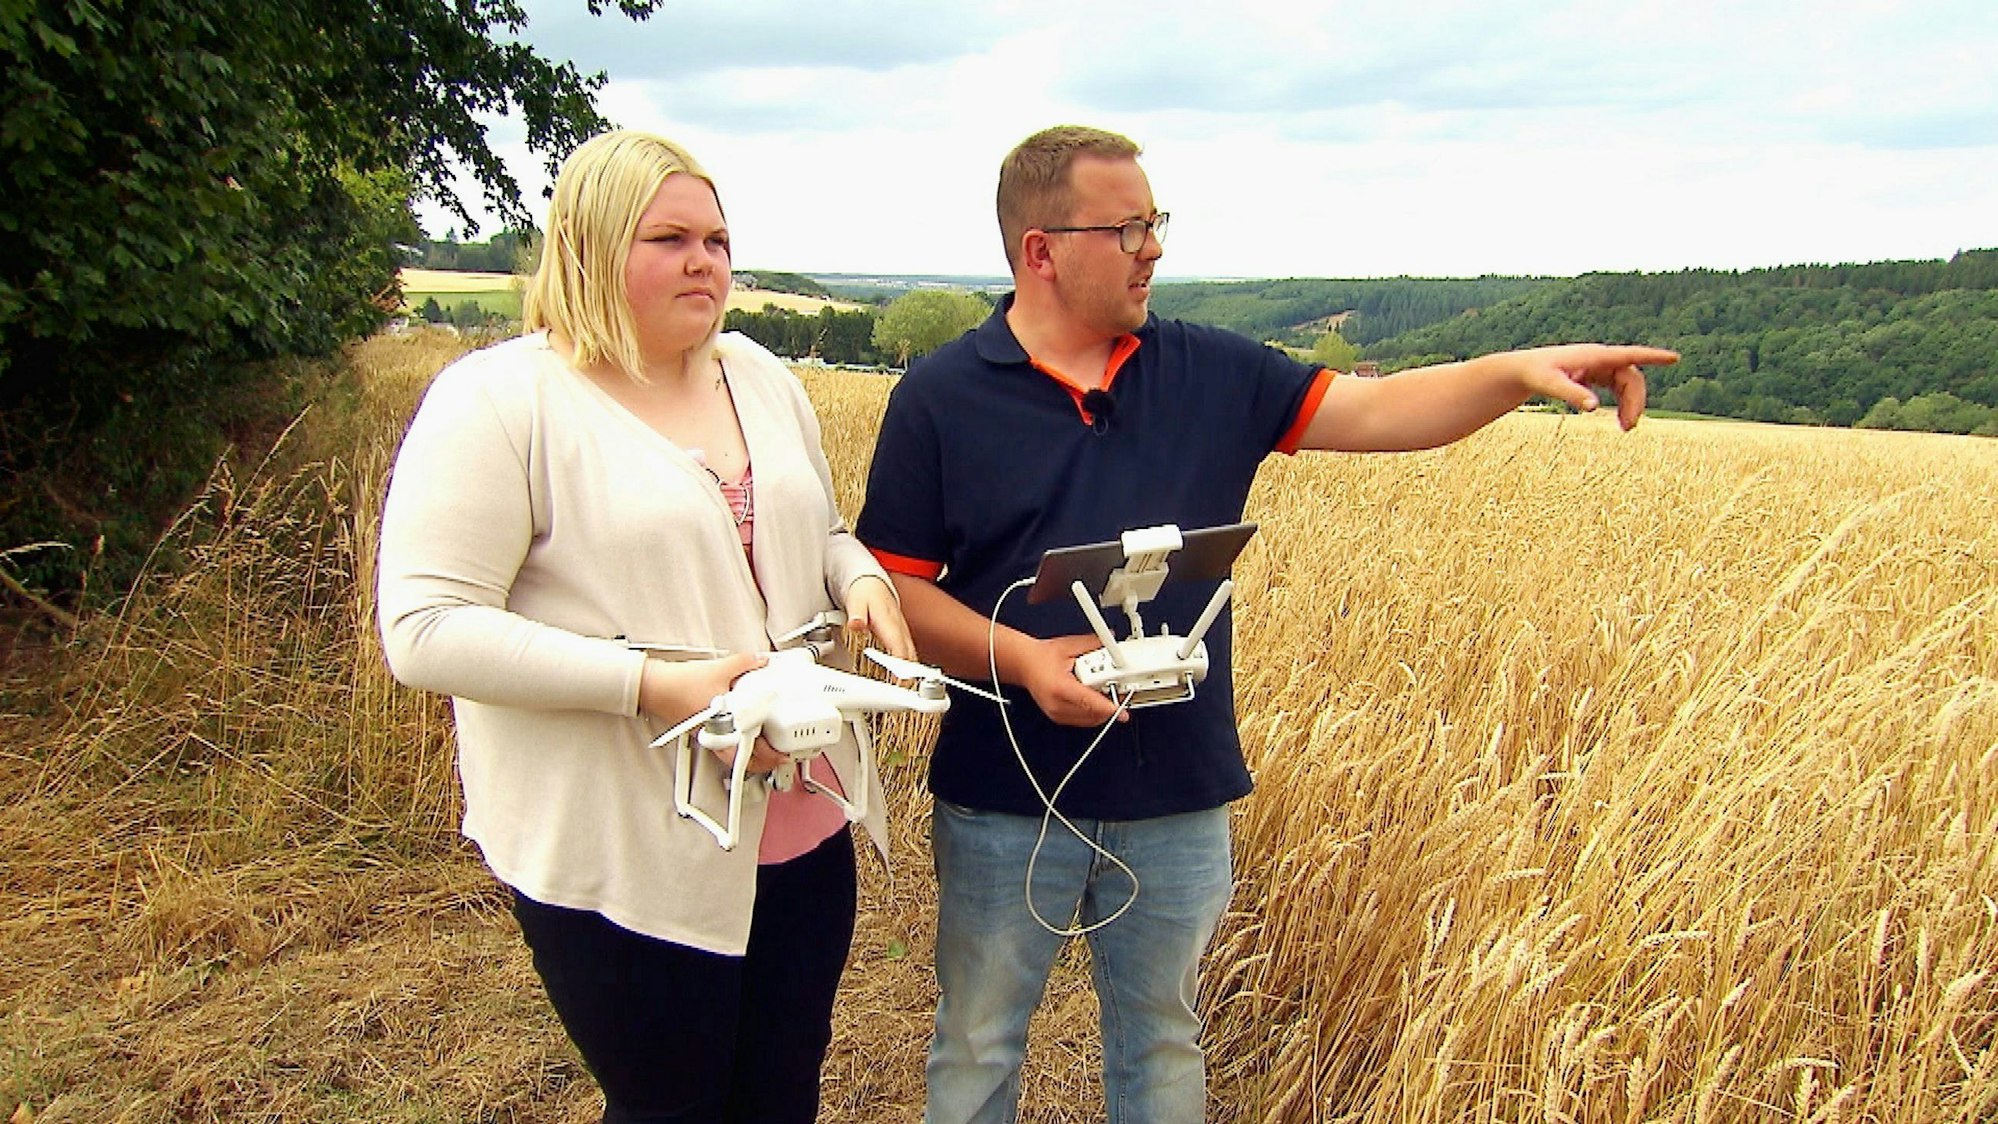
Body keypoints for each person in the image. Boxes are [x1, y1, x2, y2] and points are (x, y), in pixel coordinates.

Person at [855, 124, 1678, 1124]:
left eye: (1156, 222)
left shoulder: (1212, 371)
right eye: (1128, 228)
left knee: (1161, 1038)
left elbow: (1381, 413)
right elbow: (896, 593)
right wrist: (1022, 658)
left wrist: (1514, 373)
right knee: (979, 1041)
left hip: (1178, 789)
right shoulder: (940, 397)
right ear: (1042, 249)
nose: (1154, 247)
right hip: (1002, 790)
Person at [376, 129, 914, 1124]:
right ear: (587, 245)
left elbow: (823, 532)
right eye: (669, 237)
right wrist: (652, 683)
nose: (705, 259)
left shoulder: (758, 374)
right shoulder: (500, 402)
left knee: (781, 1089)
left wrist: (862, 579)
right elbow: (425, 627)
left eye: (716, 237)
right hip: (624, 838)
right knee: (670, 1101)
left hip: (800, 812)